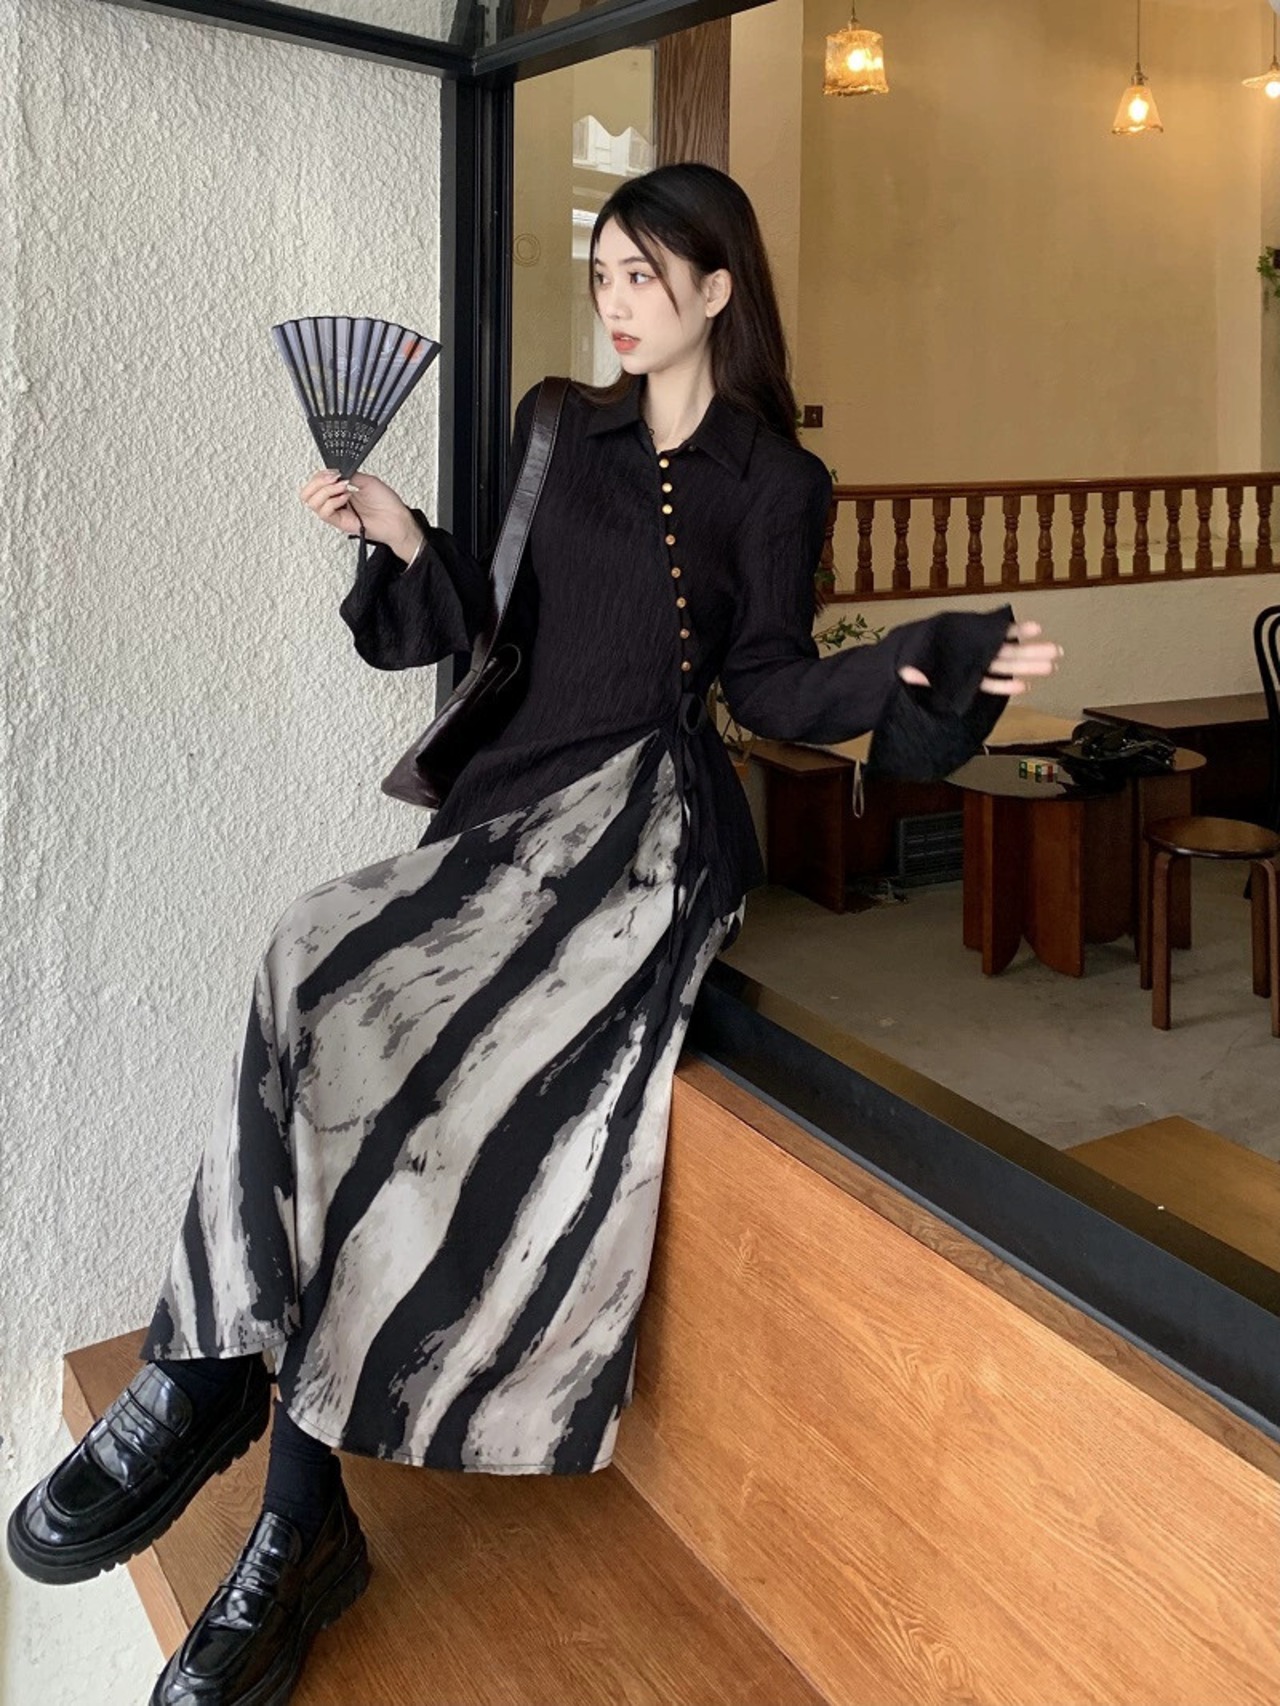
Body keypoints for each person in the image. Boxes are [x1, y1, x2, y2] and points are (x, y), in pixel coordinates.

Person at [6, 162, 1060, 1705]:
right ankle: (221, 1385)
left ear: (717, 291)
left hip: (648, 834)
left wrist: (913, 666)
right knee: (311, 954)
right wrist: (399, 533)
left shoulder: (780, 481)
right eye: (605, 274)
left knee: (401, 1060)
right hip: (513, 812)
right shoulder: (561, 427)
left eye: (646, 275)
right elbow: (498, 628)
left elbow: (769, 685)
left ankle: (272, 1486)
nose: (617, 302)